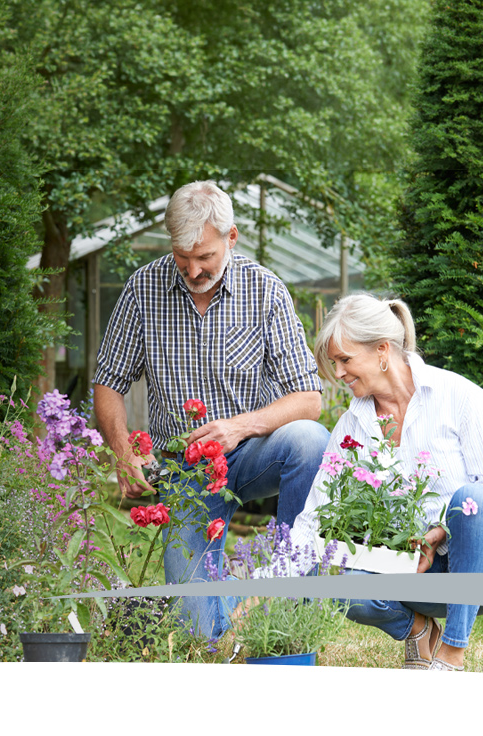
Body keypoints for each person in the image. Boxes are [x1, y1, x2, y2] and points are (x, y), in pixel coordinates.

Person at [92, 180, 330, 640]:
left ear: (231, 237)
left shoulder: (265, 291)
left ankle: (294, 606)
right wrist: (122, 452)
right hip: (184, 471)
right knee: (196, 632)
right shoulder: (143, 289)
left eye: (205, 256)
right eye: (182, 257)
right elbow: (109, 382)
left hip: (253, 452)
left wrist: (239, 428)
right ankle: (233, 602)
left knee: (309, 441)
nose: (193, 269)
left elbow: (309, 398)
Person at [289, 293, 483, 671]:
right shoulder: (352, 425)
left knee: (473, 498)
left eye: (345, 360)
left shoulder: (461, 397)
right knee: (340, 579)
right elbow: (316, 513)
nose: (339, 373)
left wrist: (439, 533)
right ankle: (417, 628)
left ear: (382, 350)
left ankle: (452, 652)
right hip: (417, 572)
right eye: (334, 363)